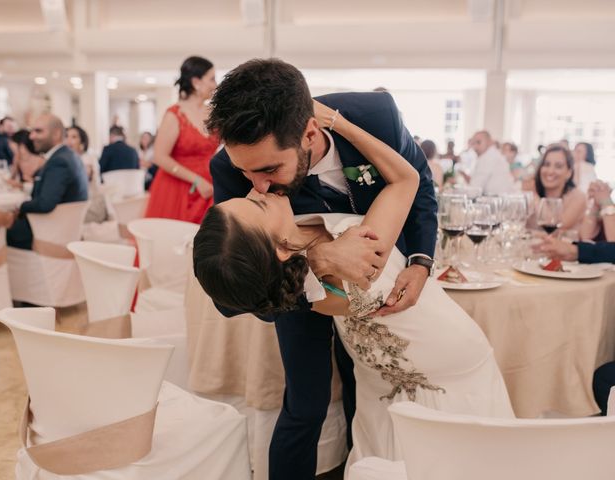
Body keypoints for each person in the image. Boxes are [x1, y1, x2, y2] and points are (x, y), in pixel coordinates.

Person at [195, 98, 513, 470]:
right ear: (278, 250)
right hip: (429, 363)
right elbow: (407, 178)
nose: (256, 189)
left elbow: (254, 277)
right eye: (258, 205)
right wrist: (341, 124)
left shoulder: (302, 279)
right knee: (309, 409)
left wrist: (420, 261)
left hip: (402, 371)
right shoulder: (352, 243)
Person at [204, 58, 439, 480]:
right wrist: (315, 264)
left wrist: (421, 261)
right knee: (305, 401)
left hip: (380, 276)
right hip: (297, 293)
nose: (258, 187)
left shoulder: (375, 116)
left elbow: (417, 181)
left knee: (365, 386)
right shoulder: (231, 167)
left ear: (310, 133)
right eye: (247, 174)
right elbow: (235, 296)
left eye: (270, 170)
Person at [145, 56, 219, 223]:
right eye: (212, 79)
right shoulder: (174, 114)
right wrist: (196, 180)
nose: (215, 85)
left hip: (210, 187)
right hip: (178, 188)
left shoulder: (213, 113)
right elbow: (159, 156)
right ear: (196, 82)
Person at [6, 114, 88, 250]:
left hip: (50, 232)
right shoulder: (67, 155)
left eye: (38, 131)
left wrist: (20, 206)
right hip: (62, 227)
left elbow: (45, 204)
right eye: (32, 131)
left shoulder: (59, 161)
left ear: (56, 134)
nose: (31, 136)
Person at [528, 144, 586, 232]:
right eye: (546, 164)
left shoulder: (578, 197)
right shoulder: (528, 196)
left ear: (568, 173)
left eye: (558, 166)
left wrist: (534, 194)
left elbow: (557, 226)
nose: (550, 171)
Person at [66, 125, 108, 224]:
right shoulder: (71, 158)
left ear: (82, 141)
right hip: (78, 204)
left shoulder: (87, 158)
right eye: (67, 136)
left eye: (74, 137)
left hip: (90, 206)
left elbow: (80, 181)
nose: (69, 140)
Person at [468, 130, 515, 195]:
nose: (475, 147)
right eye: (473, 143)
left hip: (496, 201)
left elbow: (474, 189)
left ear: (489, 142)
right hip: (500, 199)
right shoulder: (494, 155)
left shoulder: (488, 157)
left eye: (479, 142)